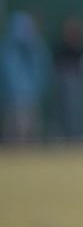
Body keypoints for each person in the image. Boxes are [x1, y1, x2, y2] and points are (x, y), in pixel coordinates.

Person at [0, 10, 52, 145]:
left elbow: (41, 72)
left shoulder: (37, 49)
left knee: (32, 133)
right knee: (16, 134)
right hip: (13, 100)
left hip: (32, 99)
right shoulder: (8, 50)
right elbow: (8, 76)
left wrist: (36, 93)